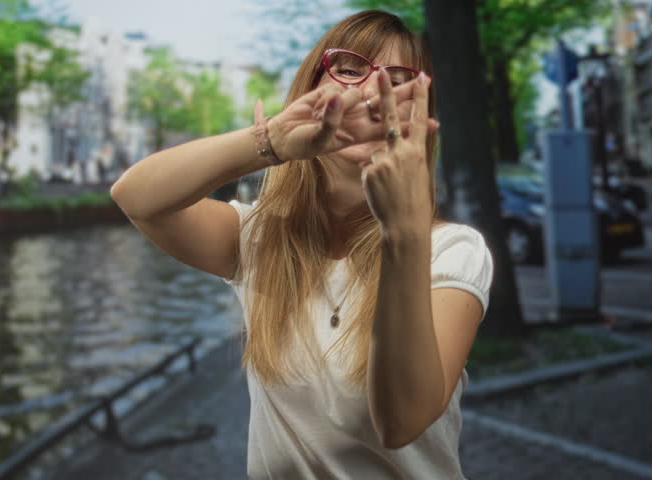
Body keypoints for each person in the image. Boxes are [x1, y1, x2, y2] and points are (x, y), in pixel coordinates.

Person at [111, 9, 493, 479]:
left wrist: (404, 233)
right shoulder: (259, 239)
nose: (373, 92)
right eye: (350, 70)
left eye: (398, 81)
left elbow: (401, 422)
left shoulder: (452, 251)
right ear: (312, 90)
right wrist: (269, 140)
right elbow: (135, 198)